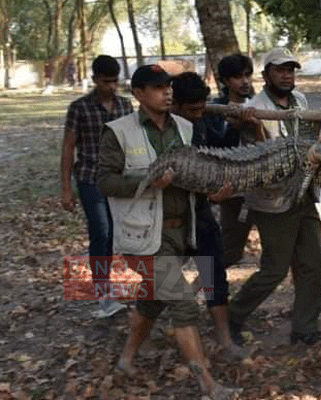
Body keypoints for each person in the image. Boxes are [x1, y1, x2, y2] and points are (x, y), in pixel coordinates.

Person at [97, 65, 238, 399]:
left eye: (168, 87)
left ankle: (125, 361)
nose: (167, 92)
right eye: (159, 87)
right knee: (185, 303)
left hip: (180, 232)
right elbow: (104, 182)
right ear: (139, 93)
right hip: (142, 238)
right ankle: (208, 384)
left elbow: (196, 174)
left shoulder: (187, 129)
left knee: (152, 300)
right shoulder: (118, 132)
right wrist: (146, 181)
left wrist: (213, 191)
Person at [227, 48, 321, 346]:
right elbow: (258, 157)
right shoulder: (255, 108)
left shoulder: (300, 101)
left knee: (315, 263)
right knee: (274, 269)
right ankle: (233, 315)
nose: (287, 75)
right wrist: (255, 127)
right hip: (273, 201)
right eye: (280, 70)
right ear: (266, 75)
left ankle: (305, 328)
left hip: (304, 193)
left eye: (291, 69)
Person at [170, 71, 247, 359]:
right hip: (170, 220)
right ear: (174, 105)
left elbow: (221, 148)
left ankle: (225, 341)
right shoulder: (164, 132)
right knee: (161, 284)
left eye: (201, 108)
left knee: (213, 273)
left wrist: (236, 126)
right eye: (192, 110)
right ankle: (135, 347)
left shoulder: (199, 123)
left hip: (200, 214)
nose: (198, 114)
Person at [60, 55, 133, 317]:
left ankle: (115, 285)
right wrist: (66, 188)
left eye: (115, 81)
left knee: (117, 235)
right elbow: (69, 147)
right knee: (101, 232)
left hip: (120, 181)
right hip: (90, 178)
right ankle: (103, 292)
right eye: (106, 81)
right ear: (95, 80)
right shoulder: (79, 108)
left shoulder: (125, 106)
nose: (112, 86)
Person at [203, 54, 258, 270]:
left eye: (247, 75)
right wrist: (234, 126)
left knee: (284, 249)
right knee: (230, 250)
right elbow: (216, 149)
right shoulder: (215, 111)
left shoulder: (259, 105)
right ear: (225, 81)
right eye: (237, 77)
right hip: (232, 190)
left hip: (265, 188)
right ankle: (199, 291)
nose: (244, 81)